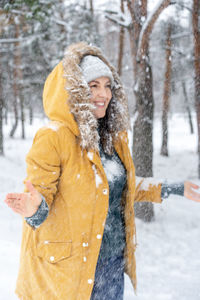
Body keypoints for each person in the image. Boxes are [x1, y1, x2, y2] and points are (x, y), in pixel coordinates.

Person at [4, 42, 200, 300]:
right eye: (93, 85)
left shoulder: (111, 139)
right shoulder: (54, 137)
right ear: (74, 91)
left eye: (108, 86)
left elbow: (119, 187)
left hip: (111, 264)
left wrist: (173, 188)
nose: (103, 94)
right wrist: (34, 208)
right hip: (69, 270)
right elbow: (40, 192)